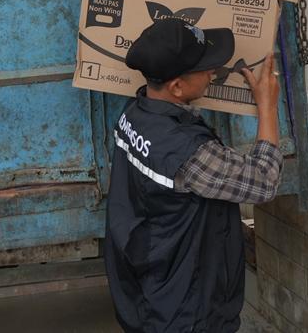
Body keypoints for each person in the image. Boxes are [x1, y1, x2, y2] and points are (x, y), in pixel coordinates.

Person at [104, 19, 283, 333]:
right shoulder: (185, 152)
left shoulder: (135, 113)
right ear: (176, 86)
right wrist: (268, 105)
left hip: (151, 286)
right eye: (205, 68)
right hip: (186, 307)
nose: (213, 73)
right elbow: (263, 181)